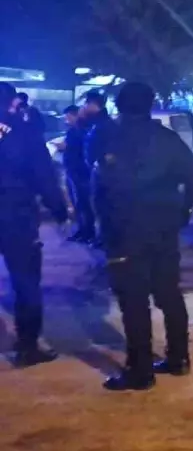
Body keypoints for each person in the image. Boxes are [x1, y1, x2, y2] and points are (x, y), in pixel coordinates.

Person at [94, 82, 193, 391]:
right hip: (164, 228)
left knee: (134, 300)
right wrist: (183, 213)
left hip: (123, 229)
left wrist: (99, 226)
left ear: (119, 105)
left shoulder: (105, 135)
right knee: (169, 292)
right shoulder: (167, 138)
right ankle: (178, 357)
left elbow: (97, 184)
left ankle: (140, 371)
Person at [0, 82, 70, 367]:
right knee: (26, 281)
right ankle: (28, 346)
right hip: (16, 215)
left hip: (15, 211)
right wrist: (59, 210)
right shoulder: (25, 133)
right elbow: (43, 175)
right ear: (12, 103)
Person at [82, 90, 116, 249]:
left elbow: (109, 151)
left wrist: (100, 161)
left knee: (104, 207)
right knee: (100, 207)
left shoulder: (104, 124)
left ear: (93, 105)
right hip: (98, 172)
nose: (84, 107)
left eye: (86, 104)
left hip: (104, 174)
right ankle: (103, 237)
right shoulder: (97, 123)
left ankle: (107, 239)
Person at [61, 105, 94, 242]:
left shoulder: (80, 131)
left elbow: (78, 149)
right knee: (77, 203)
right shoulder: (76, 130)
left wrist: (64, 147)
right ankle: (82, 230)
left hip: (78, 171)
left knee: (82, 203)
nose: (66, 120)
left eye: (68, 117)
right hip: (73, 171)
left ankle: (87, 232)